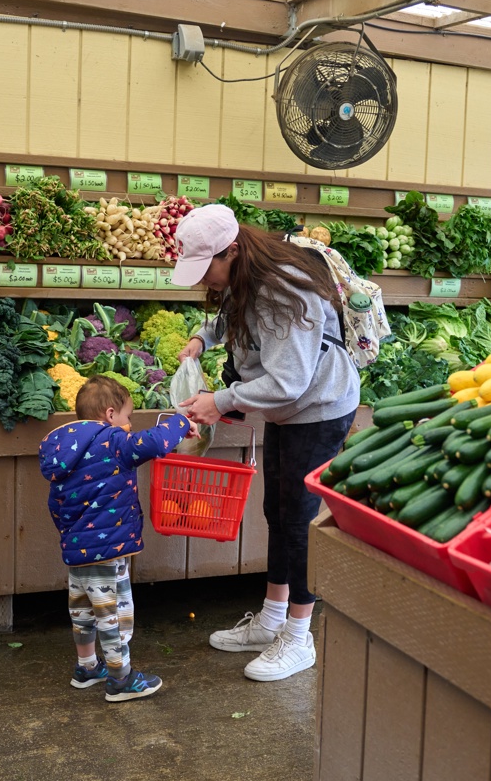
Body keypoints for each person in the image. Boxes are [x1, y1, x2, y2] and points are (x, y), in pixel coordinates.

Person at [171, 204, 360, 682]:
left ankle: (299, 636)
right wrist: (202, 339)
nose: (202, 282)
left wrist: (221, 400)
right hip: (287, 410)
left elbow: (290, 381)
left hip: (317, 407)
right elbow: (235, 319)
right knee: (277, 511)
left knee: (298, 519)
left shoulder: (281, 289)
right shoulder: (246, 275)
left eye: (206, 269)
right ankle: (272, 617)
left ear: (232, 250)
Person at [38, 375, 196, 702]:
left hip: (77, 551)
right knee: (114, 615)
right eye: (128, 417)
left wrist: (70, 535)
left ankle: (86, 667)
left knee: (82, 611)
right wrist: (181, 422)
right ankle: (120, 679)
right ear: (110, 415)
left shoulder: (62, 451)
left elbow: (54, 504)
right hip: (108, 552)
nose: (129, 425)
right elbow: (151, 443)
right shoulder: (111, 440)